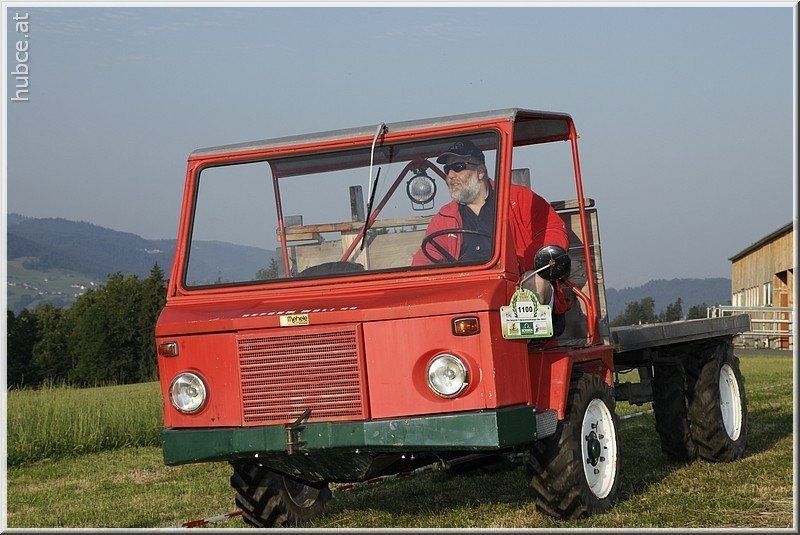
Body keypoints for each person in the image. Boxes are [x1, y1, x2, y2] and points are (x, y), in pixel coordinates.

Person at [411, 139, 571, 335]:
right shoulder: (444, 218)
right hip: (467, 295)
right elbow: (424, 261)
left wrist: (525, 265)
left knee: (534, 282)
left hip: (514, 284)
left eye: (458, 167)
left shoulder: (518, 199)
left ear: (480, 171)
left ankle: (524, 342)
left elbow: (552, 230)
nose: (450, 175)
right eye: (447, 169)